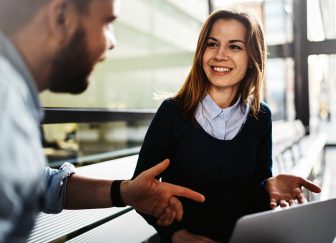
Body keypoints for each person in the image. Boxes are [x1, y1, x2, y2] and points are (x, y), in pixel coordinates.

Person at [0, 0, 206, 242]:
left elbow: (38, 184)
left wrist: (125, 192)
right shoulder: (6, 104)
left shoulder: (15, 96)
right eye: (107, 23)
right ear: (61, 17)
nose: (112, 42)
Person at [133, 8, 321, 243]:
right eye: (212, 44)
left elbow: (253, 193)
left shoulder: (260, 117)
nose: (220, 55)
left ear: (252, 59)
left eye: (234, 46)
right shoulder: (172, 113)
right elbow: (140, 191)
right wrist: (174, 235)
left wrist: (268, 187)